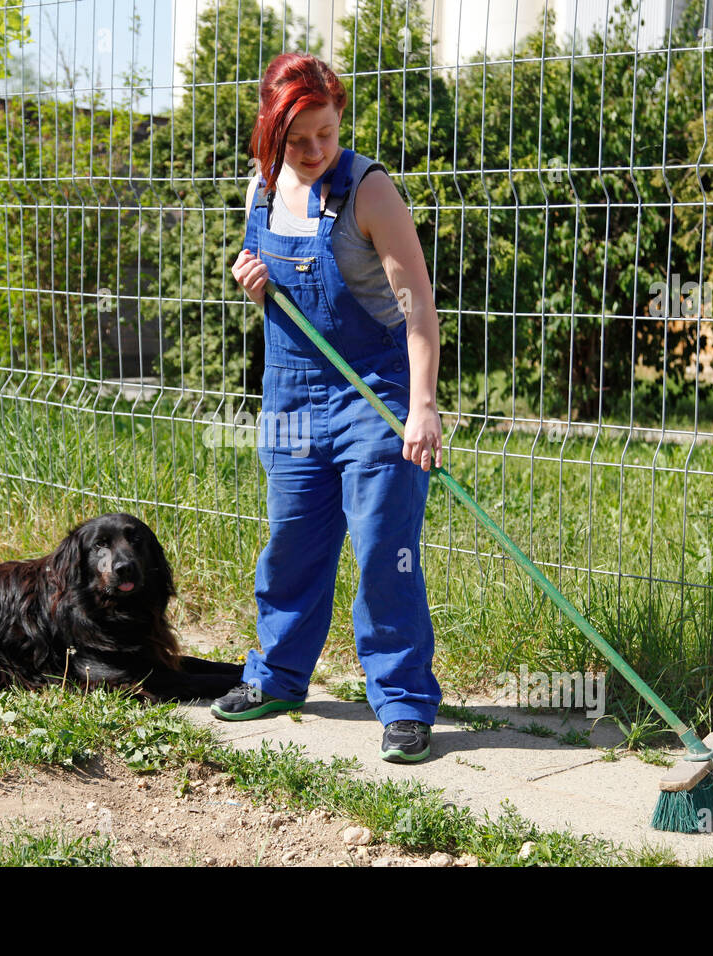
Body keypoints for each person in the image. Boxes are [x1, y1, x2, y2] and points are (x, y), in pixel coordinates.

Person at [211, 52, 443, 763]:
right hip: (290, 396)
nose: (314, 152)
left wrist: (424, 406)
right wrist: (252, 282)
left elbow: (417, 307)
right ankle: (278, 677)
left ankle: (402, 701)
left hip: (373, 391)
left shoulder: (369, 191)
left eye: (326, 134)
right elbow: (278, 292)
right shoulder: (260, 188)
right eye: (298, 139)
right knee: (291, 544)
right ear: (271, 132)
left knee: (383, 550)